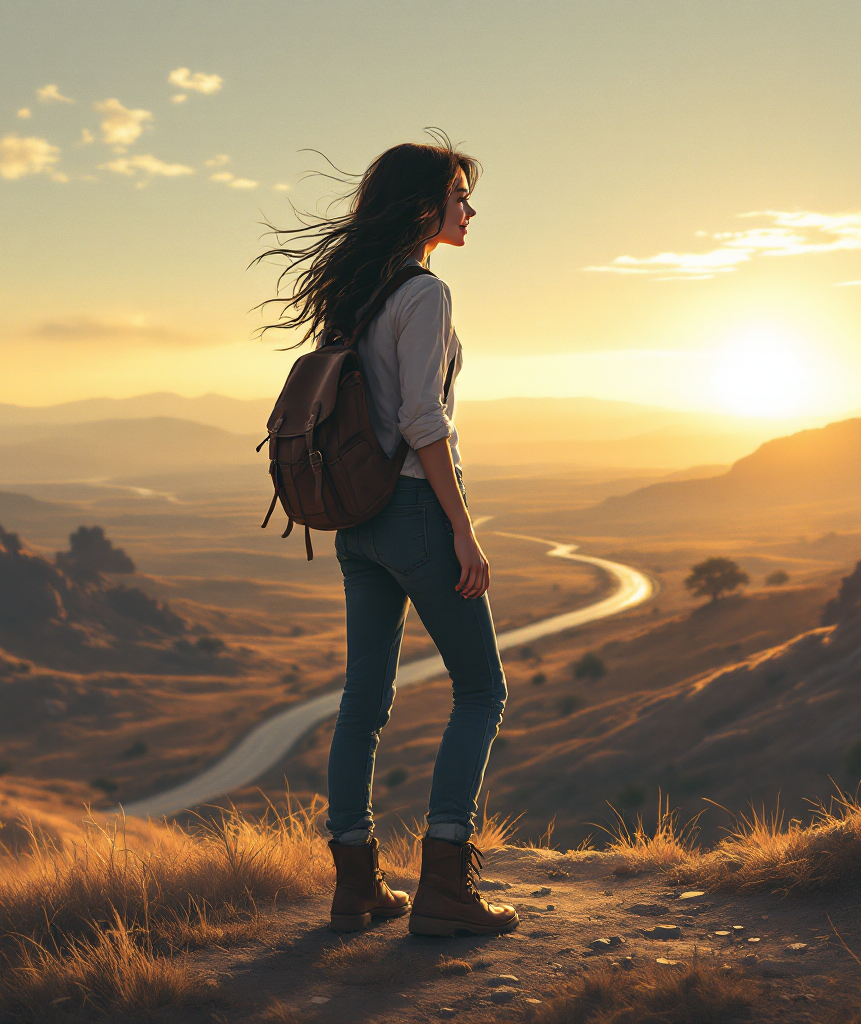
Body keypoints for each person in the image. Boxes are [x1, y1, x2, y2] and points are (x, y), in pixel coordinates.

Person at [259, 137, 516, 937]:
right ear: (423, 207)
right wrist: (463, 531)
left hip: (356, 524)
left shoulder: (359, 292)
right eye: (458, 196)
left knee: (362, 704)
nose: (469, 210)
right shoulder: (425, 295)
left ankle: (356, 888)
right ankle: (444, 884)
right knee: (481, 690)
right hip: (413, 513)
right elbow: (422, 422)